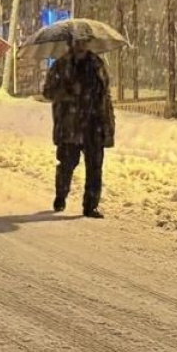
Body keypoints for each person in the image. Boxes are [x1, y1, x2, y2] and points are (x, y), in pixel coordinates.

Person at [42, 36, 115, 218]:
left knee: (95, 167)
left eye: (84, 42)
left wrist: (108, 122)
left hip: (94, 123)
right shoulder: (61, 65)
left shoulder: (97, 64)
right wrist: (68, 92)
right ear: (70, 44)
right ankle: (61, 195)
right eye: (77, 42)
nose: (81, 45)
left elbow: (105, 93)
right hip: (70, 125)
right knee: (67, 164)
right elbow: (48, 92)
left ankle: (90, 206)